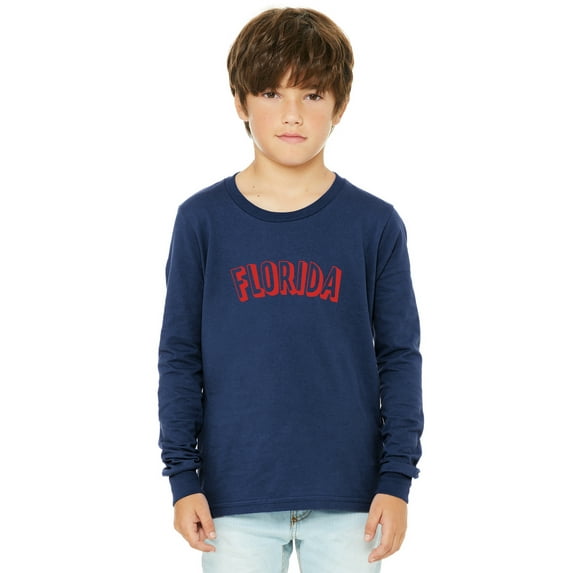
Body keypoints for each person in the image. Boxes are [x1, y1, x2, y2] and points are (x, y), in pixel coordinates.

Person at [158, 7, 423, 573]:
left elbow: (399, 357)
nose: (292, 114)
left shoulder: (374, 224)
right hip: (233, 497)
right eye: (272, 93)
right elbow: (180, 355)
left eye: (313, 94)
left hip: (353, 499)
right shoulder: (201, 222)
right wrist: (182, 478)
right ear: (240, 102)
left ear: (340, 106)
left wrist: (397, 479)